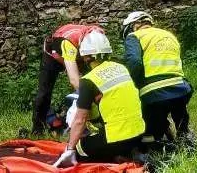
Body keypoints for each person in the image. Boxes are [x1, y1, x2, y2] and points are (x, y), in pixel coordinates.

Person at [53, 32, 146, 167]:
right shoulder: (122, 68)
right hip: (139, 135)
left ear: (86, 57)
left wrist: (70, 148)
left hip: (117, 139)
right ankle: (127, 153)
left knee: (79, 149)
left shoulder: (89, 80)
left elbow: (80, 120)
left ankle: (116, 157)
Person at [121, 11, 195, 149]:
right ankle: (187, 143)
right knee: (181, 119)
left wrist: (134, 84)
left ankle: (155, 152)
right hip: (181, 88)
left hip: (154, 93)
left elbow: (135, 63)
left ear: (134, 25)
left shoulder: (134, 36)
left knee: (151, 130)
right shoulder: (169, 35)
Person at [32, 23, 104, 134]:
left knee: (93, 83)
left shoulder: (99, 36)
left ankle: (97, 119)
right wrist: (93, 95)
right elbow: (75, 81)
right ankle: (38, 127)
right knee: (44, 93)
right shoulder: (68, 43)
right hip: (53, 56)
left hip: (79, 52)